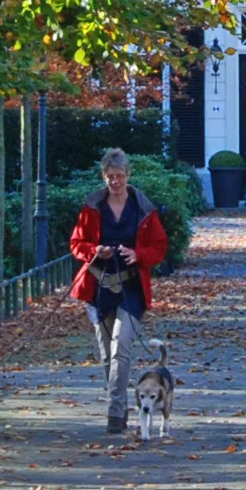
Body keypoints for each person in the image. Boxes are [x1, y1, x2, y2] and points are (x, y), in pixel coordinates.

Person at [68, 149, 168, 434]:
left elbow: (160, 248)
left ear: (128, 176)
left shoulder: (143, 209)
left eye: (120, 176)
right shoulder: (92, 208)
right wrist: (93, 250)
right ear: (104, 177)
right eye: (110, 177)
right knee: (106, 354)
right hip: (97, 288)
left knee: (121, 347)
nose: (115, 181)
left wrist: (138, 255)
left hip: (131, 288)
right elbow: (76, 243)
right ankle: (119, 403)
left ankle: (115, 414)